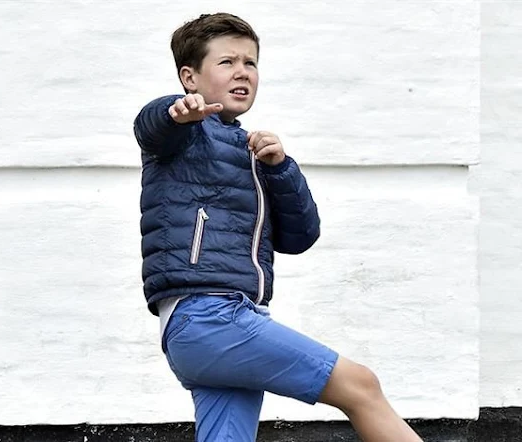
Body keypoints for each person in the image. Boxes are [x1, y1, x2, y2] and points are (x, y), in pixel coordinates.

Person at [133, 12, 423, 442]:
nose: (242, 73)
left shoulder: (252, 150)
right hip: (208, 316)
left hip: (213, 325)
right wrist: (177, 111)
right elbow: (151, 126)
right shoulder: (181, 134)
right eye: (227, 62)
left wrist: (281, 169)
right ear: (189, 77)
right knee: (361, 385)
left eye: (250, 63)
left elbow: (301, 236)